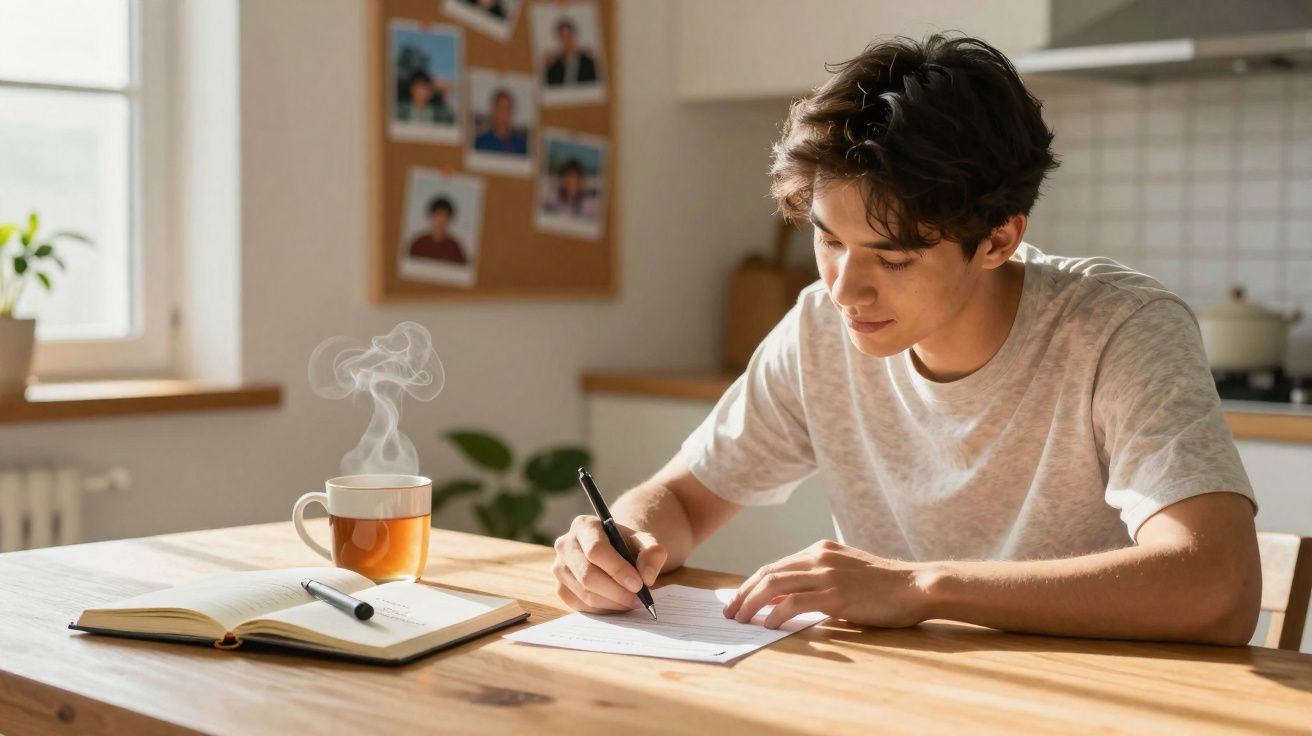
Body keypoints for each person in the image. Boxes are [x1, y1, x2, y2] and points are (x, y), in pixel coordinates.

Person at [550, 34, 1262, 646]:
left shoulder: (1118, 329)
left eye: (892, 258)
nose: (844, 289)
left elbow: (1219, 586)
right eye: (828, 240)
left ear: (998, 238)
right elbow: (679, 499)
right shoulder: (818, 327)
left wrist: (923, 588)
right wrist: (625, 545)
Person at [408, 197, 466, 264]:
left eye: (444, 216)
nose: (440, 221)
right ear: (431, 217)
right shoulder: (418, 243)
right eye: (437, 216)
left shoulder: (455, 247)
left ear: (449, 220)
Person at [544, 18, 598, 86]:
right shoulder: (554, 66)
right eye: (563, 37)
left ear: (574, 35)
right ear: (559, 39)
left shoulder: (588, 62)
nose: (567, 40)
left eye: (569, 36)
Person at [473, 89, 528, 154]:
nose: (505, 114)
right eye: (501, 108)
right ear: (494, 111)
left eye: (508, 109)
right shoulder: (481, 142)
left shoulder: (521, 145)